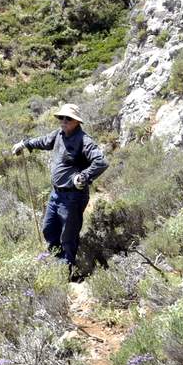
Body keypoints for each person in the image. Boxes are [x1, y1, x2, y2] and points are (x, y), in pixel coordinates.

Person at [12, 103, 108, 272]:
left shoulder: (84, 141)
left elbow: (101, 162)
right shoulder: (59, 134)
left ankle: (67, 272)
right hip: (56, 194)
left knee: (68, 236)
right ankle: (56, 264)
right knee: (49, 229)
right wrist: (26, 144)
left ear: (76, 121)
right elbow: (43, 141)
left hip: (73, 197)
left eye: (68, 118)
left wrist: (83, 177)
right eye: (61, 117)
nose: (63, 121)